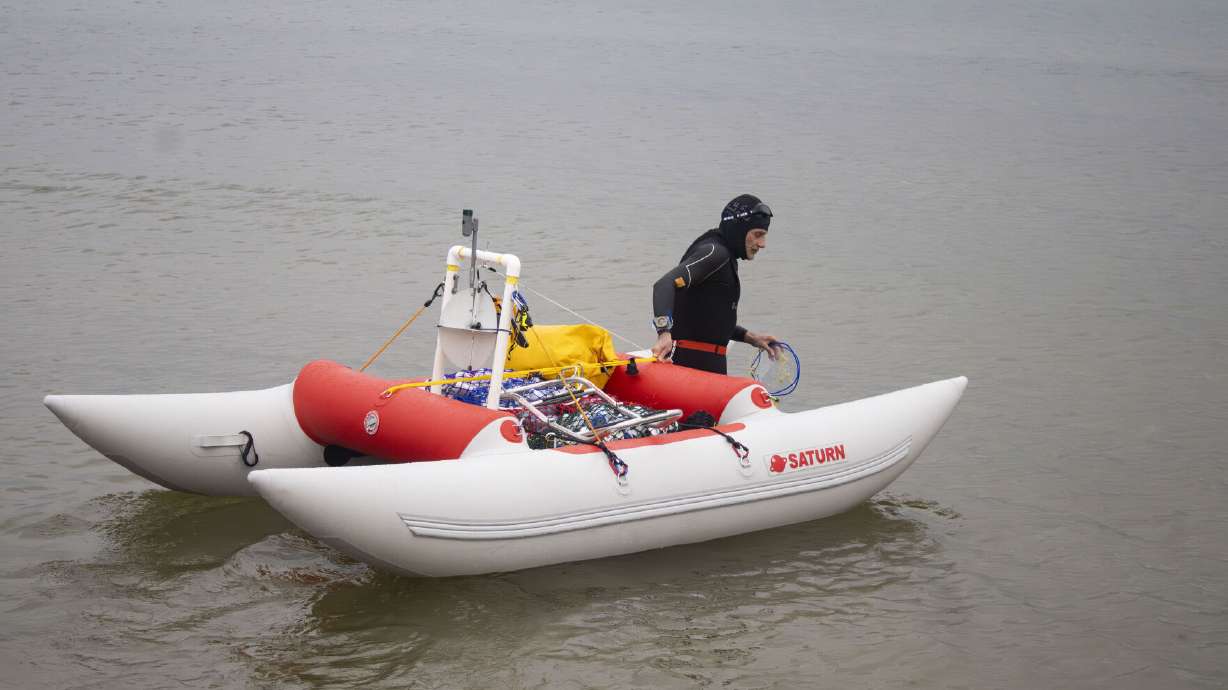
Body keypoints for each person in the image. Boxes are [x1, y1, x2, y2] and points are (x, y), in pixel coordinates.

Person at [650, 194, 781, 374]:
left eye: (764, 236)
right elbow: (664, 284)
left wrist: (751, 338)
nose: (762, 244)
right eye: (757, 235)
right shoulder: (715, 253)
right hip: (690, 367)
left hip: (706, 367)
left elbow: (709, 320)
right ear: (739, 229)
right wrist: (664, 332)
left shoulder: (725, 257)